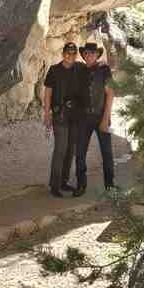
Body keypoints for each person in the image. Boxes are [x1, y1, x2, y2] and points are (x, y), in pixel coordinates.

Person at [74, 42, 115, 196]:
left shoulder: (104, 70)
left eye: (92, 53)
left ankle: (110, 186)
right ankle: (81, 184)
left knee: (107, 153)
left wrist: (105, 119)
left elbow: (110, 94)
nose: (89, 55)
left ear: (97, 55)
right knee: (80, 152)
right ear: (83, 55)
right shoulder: (79, 70)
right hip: (83, 118)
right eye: (86, 53)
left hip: (101, 116)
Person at [43, 42, 82, 198]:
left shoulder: (79, 69)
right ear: (63, 53)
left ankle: (64, 182)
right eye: (68, 53)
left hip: (75, 116)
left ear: (76, 55)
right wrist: (47, 113)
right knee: (60, 149)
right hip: (59, 115)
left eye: (73, 54)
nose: (70, 56)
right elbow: (47, 93)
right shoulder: (54, 70)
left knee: (70, 150)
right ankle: (54, 184)